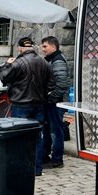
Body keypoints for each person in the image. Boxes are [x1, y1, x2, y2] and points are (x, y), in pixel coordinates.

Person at [0, 36, 53, 176]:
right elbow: (52, 84)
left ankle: (21, 167)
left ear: (20, 48)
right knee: (38, 137)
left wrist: (7, 64)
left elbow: (4, 77)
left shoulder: (18, 63)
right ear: (33, 47)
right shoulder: (44, 62)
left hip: (21, 104)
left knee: (19, 137)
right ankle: (37, 169)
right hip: (39, 104)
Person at [40, 36, 69, 169]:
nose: (42, 49)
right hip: (52, 102)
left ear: (53, 46)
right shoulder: (51, 60)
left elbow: (62, 84)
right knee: (48, 130)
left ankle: (57, 159)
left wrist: (51, 99)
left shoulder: (58, 61)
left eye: (45, 46)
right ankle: (46, 156)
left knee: (56, 131)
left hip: (56, 103)